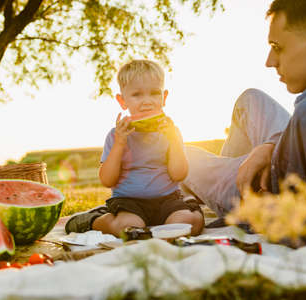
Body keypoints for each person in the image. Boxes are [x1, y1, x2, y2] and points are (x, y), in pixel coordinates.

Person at [181, 0, 306, 243]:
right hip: (281, 153)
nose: (269, 61)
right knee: (250, 99)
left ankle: (215, 192)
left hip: (262, 190)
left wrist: (264, 216)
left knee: (181, 153)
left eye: (277, 47)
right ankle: (243, 163)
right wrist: (271, 145)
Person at [65, 60, 204, 237]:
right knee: (127, 228)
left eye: (154, 93)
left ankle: (190, 209)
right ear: (122, 101)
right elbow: (107, 180)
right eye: (137, 95)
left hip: (168, 199)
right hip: (128, 203)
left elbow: (179, 174)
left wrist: (174, 140)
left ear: (165, 97)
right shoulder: (116, 135)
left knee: (187, 225)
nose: (147, 101)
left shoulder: (172, 132)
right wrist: (120, 144)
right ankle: (95, 220)